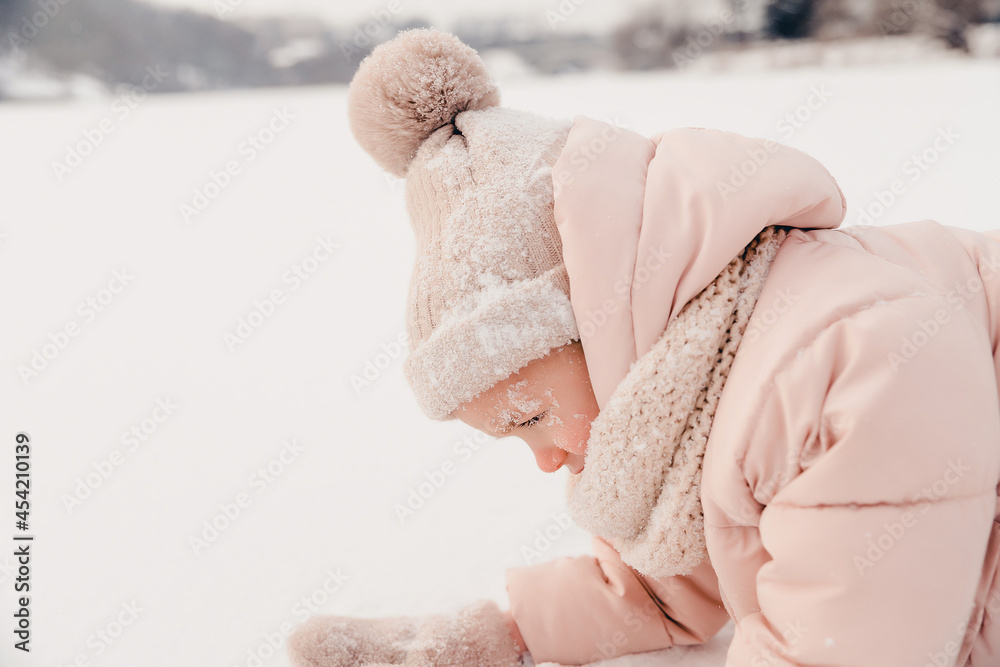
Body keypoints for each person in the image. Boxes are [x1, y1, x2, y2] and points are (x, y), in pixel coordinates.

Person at [286, 28, 1000, 667]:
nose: (543, 459)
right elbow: (680, 571)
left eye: (530, 416)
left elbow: (846, 641)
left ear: (596, 318)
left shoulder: (842, 365)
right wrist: (506, 637)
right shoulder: (709, 371)